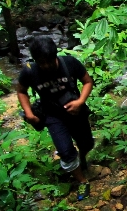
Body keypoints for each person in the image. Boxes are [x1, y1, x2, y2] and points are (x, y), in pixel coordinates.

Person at [16, 35, 95, 200]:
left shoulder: (69, 63)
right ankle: (82, 181)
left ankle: (81, 157)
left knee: (87, 143)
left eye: (49, 62)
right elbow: (21, 91)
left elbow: (87, 81)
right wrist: (29, 113)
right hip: (52, 115)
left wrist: (80, 101)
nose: (45, 66)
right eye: (41, 63)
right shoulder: (30, 71)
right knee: (66, 152)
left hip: (75, 111)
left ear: (55, 56)